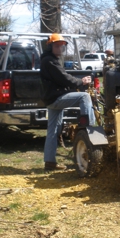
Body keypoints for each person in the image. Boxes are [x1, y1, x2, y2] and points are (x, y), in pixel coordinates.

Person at [40, 33, 96, 171]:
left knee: (52, 131)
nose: (60, 49)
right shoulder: (50, 61)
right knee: (84, 97)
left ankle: (49, 162)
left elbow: (63, 77)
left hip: (51, 98)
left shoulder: (50, 60)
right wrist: (81, 81)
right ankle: (91, 131)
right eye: (57, 46)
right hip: (55, 98)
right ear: (50, 47)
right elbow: (64, 78)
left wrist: (78, 80)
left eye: (62, 46)